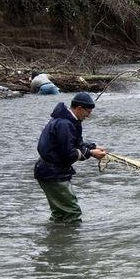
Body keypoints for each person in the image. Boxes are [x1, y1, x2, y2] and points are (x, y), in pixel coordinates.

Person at [34, 92, 107, 223]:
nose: (89, 115)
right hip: (53, 173)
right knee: (72, 212)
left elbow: (76, 144)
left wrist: (92, 147)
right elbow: (69, 154)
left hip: (47, 171)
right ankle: (71, 240)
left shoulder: (68, 121)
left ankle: (56, 238)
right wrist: (91, 153)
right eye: (88, 112)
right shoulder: (65, 124)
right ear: (79, 108)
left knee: (60, 212)